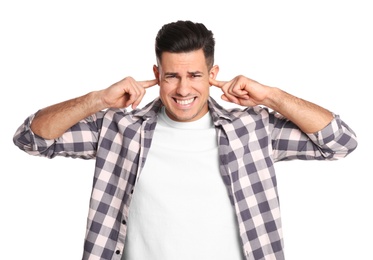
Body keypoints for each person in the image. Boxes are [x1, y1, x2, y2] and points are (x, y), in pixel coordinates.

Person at [13, 20, 358, 260]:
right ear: (156, 75)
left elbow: (339, 141)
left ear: (213, 75)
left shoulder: (252, 130)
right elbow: (31, 139)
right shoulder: (119, 130)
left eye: (194, 75)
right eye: (172, 76)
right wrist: (97, 100)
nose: (183, 89)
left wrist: (271, 96)